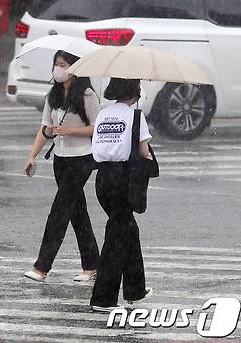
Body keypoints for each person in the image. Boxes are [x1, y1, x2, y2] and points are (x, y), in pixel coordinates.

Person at [23, 50, 100, 284]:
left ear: (75, 68)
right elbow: (45, 127)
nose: (58, 69)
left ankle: (42, 266)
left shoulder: (87, 95)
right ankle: (92, 265)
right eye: (56, 65)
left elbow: (97, 128)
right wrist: (32, 156)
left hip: (82, 158)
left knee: (59, 210)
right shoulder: (53, 95)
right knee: (78, 213)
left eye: (63, 64)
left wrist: (71, 131)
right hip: (61, 158)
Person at [89, 78, 153, 312]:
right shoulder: (136, 116)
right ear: (135, 91)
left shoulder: (104, 114)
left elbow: (96, 145)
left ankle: (135, 291)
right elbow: (144, 152)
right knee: (117, 236)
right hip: (124, 179)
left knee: (127, 229)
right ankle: (103, 298)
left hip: (102, 178)